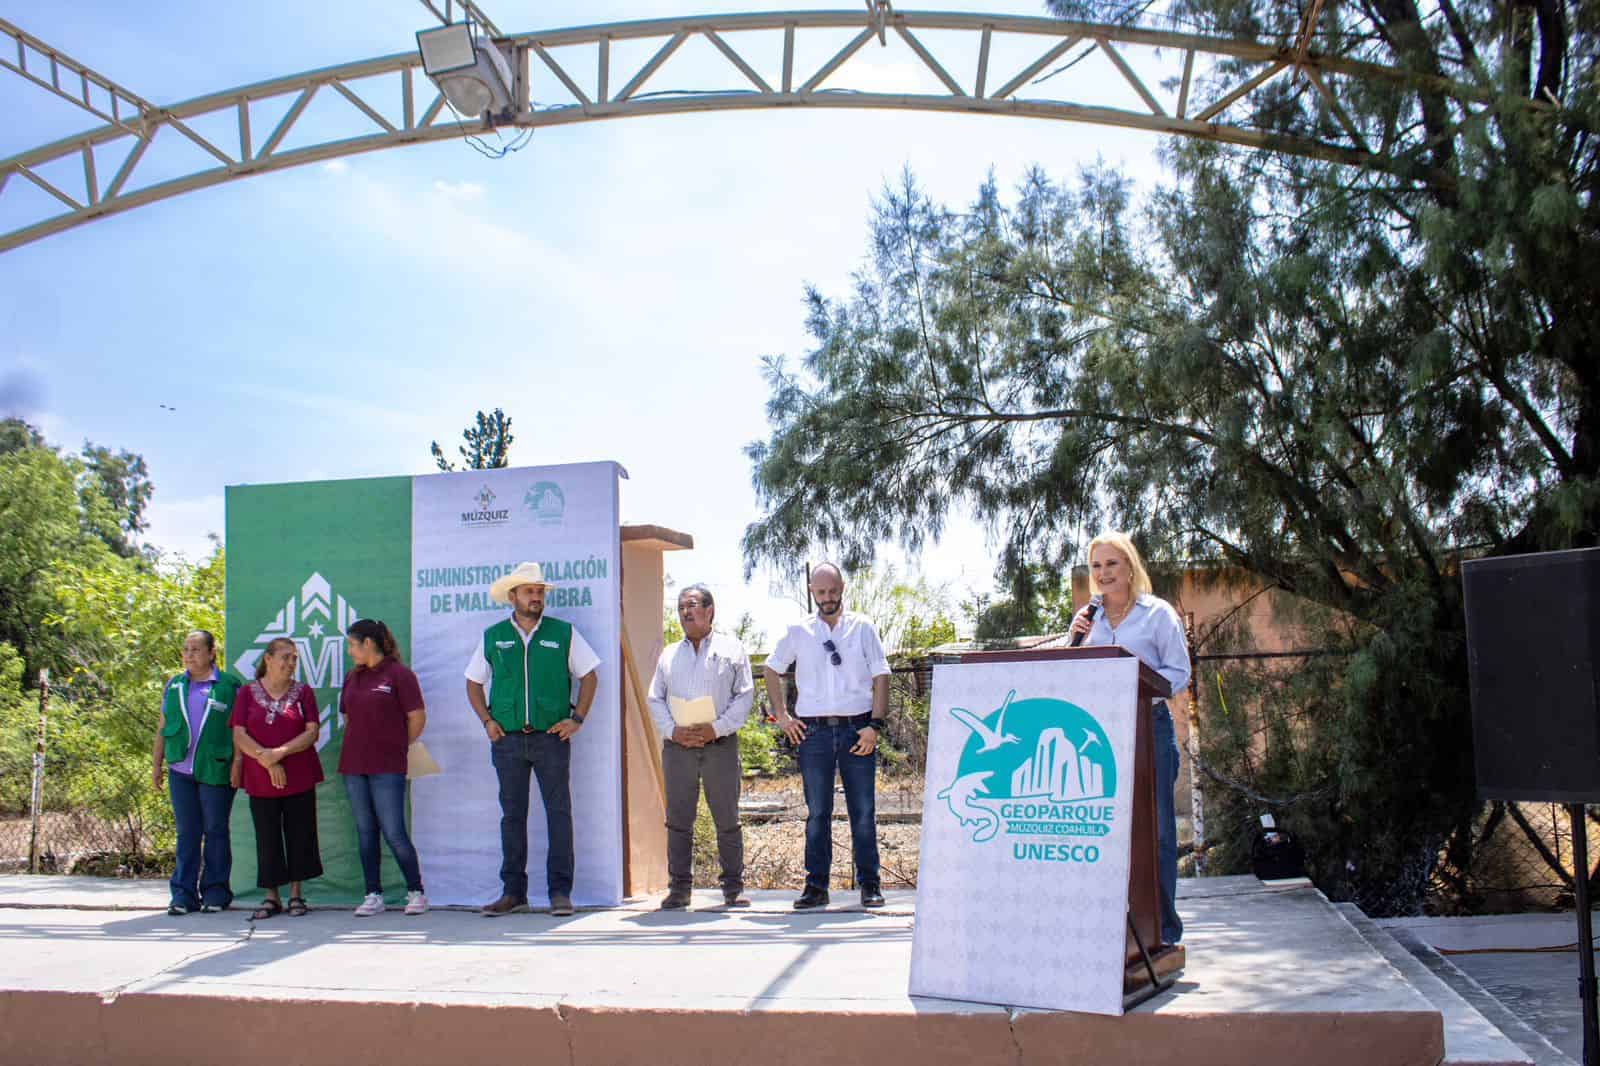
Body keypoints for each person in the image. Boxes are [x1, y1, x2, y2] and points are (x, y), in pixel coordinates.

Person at [1067, 531, 1192, 945]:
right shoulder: (1088, 619)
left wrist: (1137, 687)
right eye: (1096, 566)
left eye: (1111, 564)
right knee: (1106, 831)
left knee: (1157, 833)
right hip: (1102, 734)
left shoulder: (1157, 615)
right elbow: (1073, 674)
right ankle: (1109, 927)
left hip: (1149, 728)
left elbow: (1179, 673)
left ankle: (1162, 929)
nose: (1103, 573)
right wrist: (1074, 642)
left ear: (1130, 567)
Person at [465, 561, 599, 918]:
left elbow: (589, 676)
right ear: (513, 596)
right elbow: (473, 683)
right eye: (529, 591)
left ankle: (560, 892)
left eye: (539, 591)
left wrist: (577, 719)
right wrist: (487, 721)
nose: (536, 597)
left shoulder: (563, 633)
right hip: (507, 740)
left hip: (551, 739)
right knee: (512, 816)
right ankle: (513, 893)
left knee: (559, 814)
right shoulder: (494, 636)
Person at [763, 563, 891, 910]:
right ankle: (816, 886)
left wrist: (875, 725)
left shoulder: (862, 627)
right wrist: (782, 716)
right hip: (813, 732)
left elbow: (881, 675)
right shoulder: (798, 630)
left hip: (857, 729)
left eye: (833, 591)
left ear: (842, 588)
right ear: (811, 591)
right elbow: (771, 669)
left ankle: (870, 884)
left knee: (862, 811)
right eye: (821, 592)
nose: (828, 598)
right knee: (818, 812)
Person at [647, 585, 755, 910]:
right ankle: (679, 889)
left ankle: (733, 889)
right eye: (681, 607)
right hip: (678, 747)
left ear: (710, 610)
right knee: (678, 820)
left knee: (727, 818)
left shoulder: (731, 649)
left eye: (691, 605)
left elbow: (744, 695)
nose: (685, 612)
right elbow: (655, 698)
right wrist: (673, 731)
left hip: (719, 744)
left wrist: (715, 728)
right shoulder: (669, 654)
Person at [151, 630, 245, 916]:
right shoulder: (175, 685)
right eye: (186, 649)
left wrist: (237, 762)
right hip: (180, 769)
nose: (189, 655)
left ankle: (216, 892)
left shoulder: (229, 686)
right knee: (187, 832)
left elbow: (240, 730)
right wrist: (156, 764)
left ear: (211, 653)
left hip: (215, 767)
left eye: (196, 649)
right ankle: (183, 895)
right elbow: (163, 727)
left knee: (215, 830)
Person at [339, 618, 428, 917]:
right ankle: (373, 894)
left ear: (368, 643)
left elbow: (417, 718)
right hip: (354, 765)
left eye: (352, 645)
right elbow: (348, 718)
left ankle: (416, 892)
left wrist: (396, 746)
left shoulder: (400, 675)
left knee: (394, 831)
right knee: (366, 832)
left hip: (387, 766)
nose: (350, 651)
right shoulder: (352, 677)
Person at [230, 636, 324, 920]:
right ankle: (272, 897)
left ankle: (296, 894)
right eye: (285, 657)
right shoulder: (247, 693)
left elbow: (312, 732)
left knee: (300, 833)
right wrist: (265, 759)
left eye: (294, 658)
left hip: (299, 774)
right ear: (268, 659)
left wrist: (279, 753)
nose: (291, 663)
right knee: (267, 834)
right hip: (260, 777)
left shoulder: (303, 692)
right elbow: (239, 733)